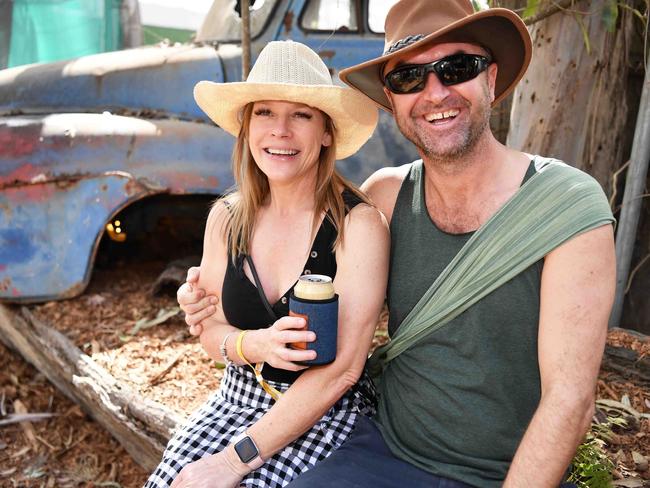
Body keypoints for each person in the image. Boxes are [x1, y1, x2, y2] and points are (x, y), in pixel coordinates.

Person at [180, 1, 616, 487]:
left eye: (456, 68)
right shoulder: (384, 198)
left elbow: (570, 400)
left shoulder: (566, 203)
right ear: (391, 98)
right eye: (409, 78)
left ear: (491, 78)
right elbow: (306, 260)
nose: (434, 92)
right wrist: (211, 309)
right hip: (382, 453)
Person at [147, 40, 389, 488]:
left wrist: (232, 461)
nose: (280, 130)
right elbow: (212, 333)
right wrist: (255, 345)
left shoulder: (359, 225)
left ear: (326, 132)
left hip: (323, 411)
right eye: (264, 113)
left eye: (300, 114)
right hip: (234, 401)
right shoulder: (226, 218)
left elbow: (344, 370)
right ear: (246, 127)